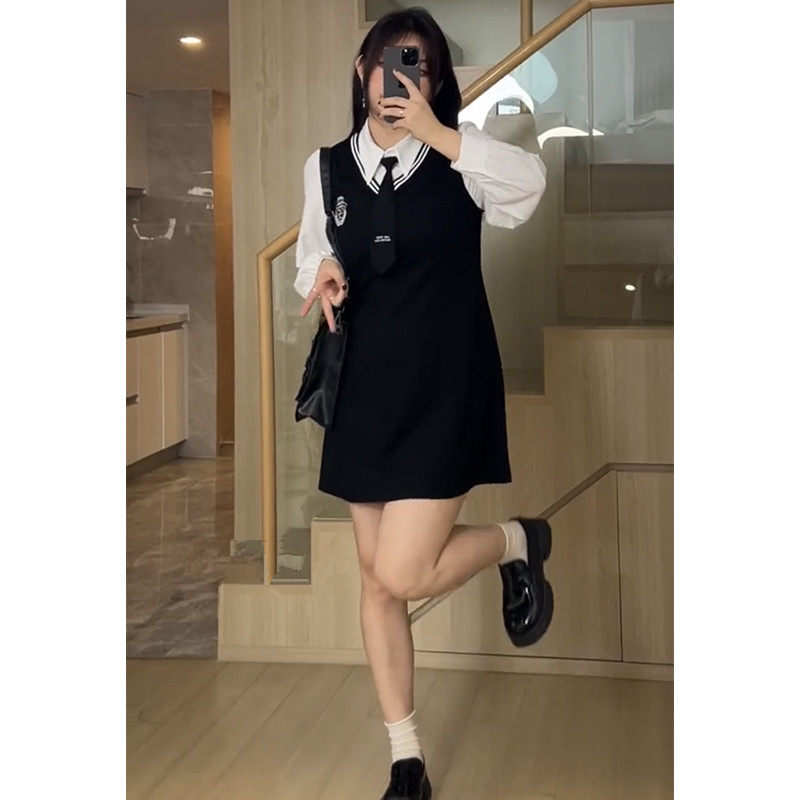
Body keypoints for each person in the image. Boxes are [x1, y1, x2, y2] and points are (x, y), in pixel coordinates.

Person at [294, 8, 553, 799]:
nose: (399, 78)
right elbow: (313, 255)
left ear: (435, 82)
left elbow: (529, 187)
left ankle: (517, 541)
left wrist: (440, 134)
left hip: (446, 388)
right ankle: (405, 757)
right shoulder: (326, 168)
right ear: (361, 70)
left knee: (402, 571)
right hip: (365, 394)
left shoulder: (460, 158)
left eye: (419, 66)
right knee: (376, 581)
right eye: (387, 61)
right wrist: (322, 273)